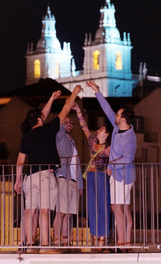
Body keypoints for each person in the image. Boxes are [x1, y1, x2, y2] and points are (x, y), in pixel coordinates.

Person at [14, 85, 82, 249]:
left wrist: (17, 180)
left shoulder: (26, 137)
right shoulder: (48, 129)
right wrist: (74, 93)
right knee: (44, 210)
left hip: (29, 178)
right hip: (46, 175)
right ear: (39, 119)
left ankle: (30, 243)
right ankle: (45, 244)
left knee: (30, 211)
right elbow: (65, 110)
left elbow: (20, 162)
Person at [87, 80, 137, 247]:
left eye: (117, 114)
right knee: (125, 208)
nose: (114, 115)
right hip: (120, 174)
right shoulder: (117, 128)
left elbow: (128, 158)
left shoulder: (129, 137)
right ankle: (126, 241)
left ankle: (122, 242)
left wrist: (111, 165)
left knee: (117, 208)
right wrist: (96, 91)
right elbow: (107, 109)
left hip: (121, 175)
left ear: (123, 119)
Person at [72, 102, 111, 251]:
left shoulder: (109, 148)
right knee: (92, 206)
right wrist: (78, 112)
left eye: (102, 129)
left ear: (106, 134)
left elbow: (115, 160)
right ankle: (95, 236)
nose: (99, 129)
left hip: (102, 176)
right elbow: (84, 128)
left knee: (103, 205)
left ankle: (103, 237)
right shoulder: (93, 143)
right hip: (91, 176)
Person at [52, 116, 83, 247]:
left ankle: (66, 241)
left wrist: (80, 184)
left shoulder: (73, 142)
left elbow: (77, 164)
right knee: (61, 212)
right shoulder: (60, 138)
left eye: (71, 122)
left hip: (73, 180)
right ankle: (56, 240)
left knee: (69, 213)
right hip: (62, 177)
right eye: (66, 122)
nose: (69, 124)